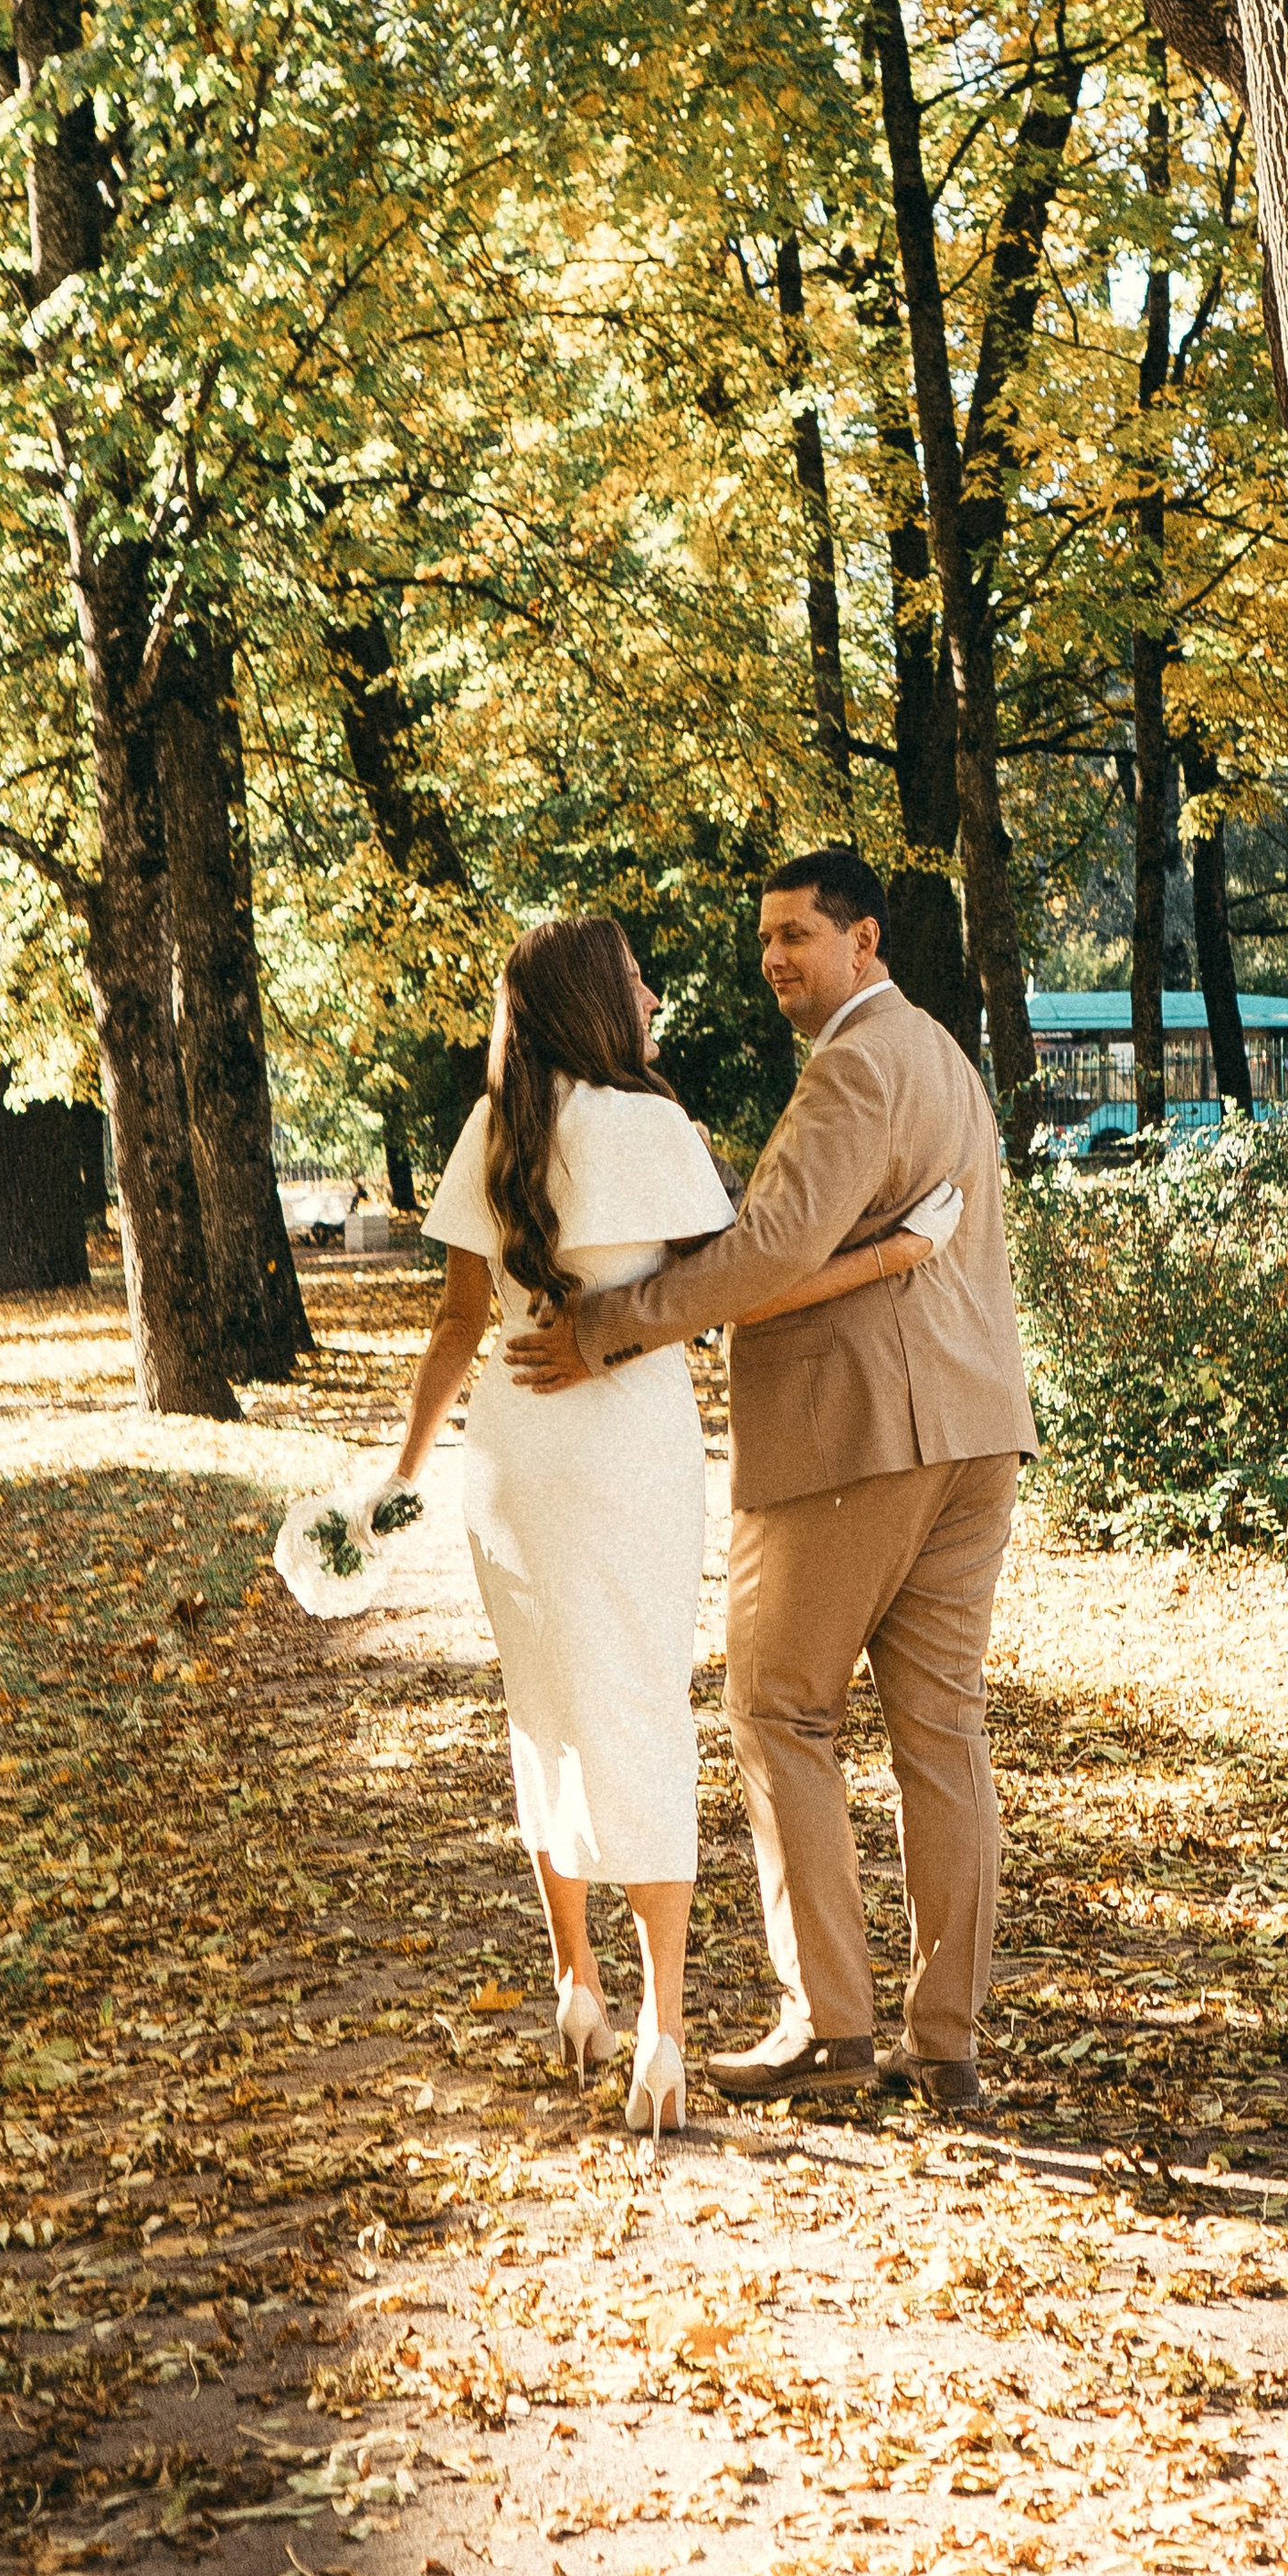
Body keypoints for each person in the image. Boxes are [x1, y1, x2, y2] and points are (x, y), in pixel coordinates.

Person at [385, 914, 955, 2136]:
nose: (652, 1001)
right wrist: (897, 1252)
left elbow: (453, 1323)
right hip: (622, 1443)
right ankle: (663, 2027)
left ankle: (573, 1983)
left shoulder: (490, 1130)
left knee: (543, 1708)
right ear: (598, 1001)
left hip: (511, 1451)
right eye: (638, 983)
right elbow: (754, 1284)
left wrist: (402, 1471)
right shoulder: (649, 1126)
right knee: (639, 1704)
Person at [505, 851, 1036, 2117]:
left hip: (857, 1437)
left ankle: (831, 2027)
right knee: (940, 1730)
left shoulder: (857, 1058)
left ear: (866, 944)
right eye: (766, 941)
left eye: (799, 935)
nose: (776, 961)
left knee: (779, 1711)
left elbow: (771, 1248)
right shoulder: (944, 1058)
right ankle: (945, 2043)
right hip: (973, 1430)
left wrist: (609, 1328)